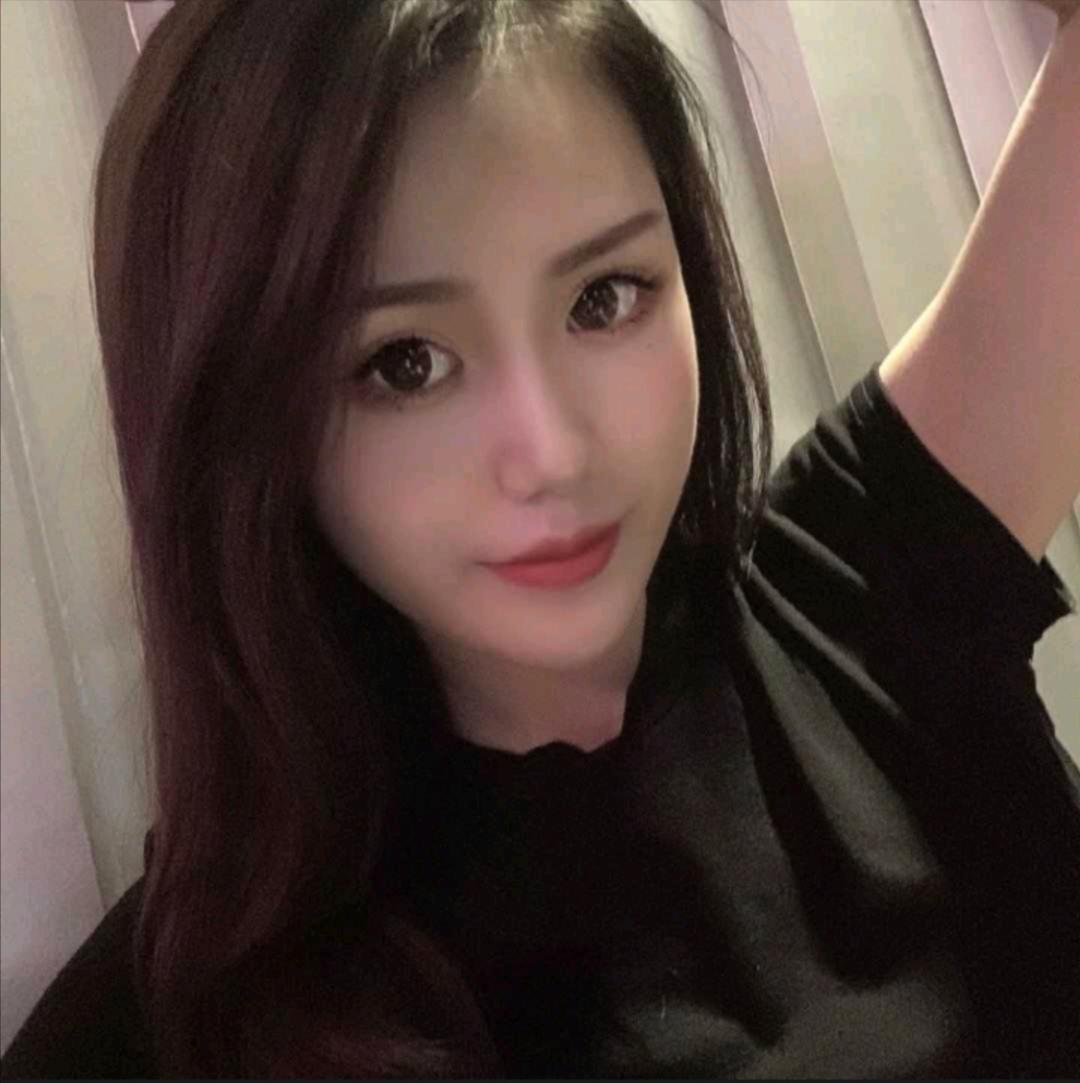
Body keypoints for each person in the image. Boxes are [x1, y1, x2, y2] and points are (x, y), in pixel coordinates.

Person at [3, 0, 1079, 1077]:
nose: (552, 452)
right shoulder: (190, 1010)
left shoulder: (860, 583)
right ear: (244, 425)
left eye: (605, 298)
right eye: (405, 364)